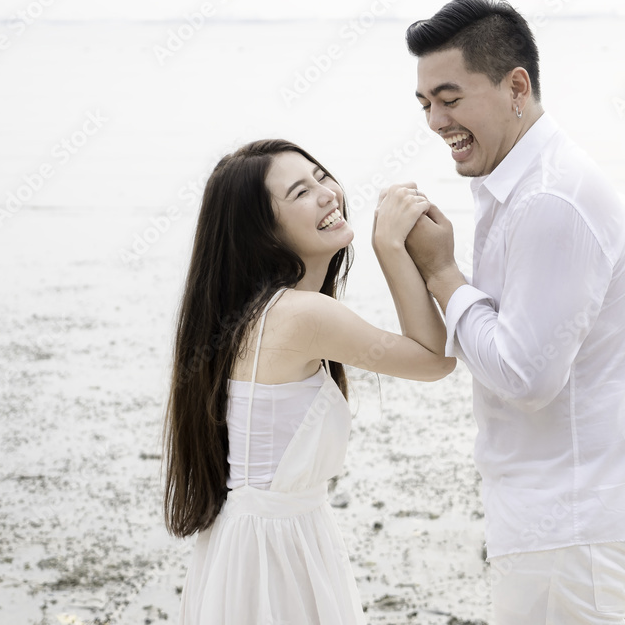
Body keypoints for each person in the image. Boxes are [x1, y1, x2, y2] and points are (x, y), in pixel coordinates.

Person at [398, 0, 625, 624]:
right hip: (560, 515)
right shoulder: (514, 185)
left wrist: (443, 274)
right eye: (424, 105)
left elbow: (527, 377)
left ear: (516, 86)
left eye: (450, 98)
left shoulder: (550, 198)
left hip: (575, 520)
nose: (436, 121)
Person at [164, 138, 456, 624]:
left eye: (321, 177)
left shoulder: (254, 315)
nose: (327, 194)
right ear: (262, 231)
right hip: (274, 549)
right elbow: (434, 357)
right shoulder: (301, 315)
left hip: (252, 541)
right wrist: (392, 246)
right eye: (299, 192)